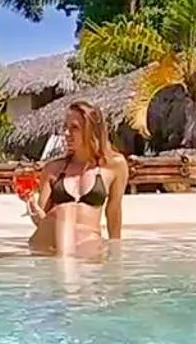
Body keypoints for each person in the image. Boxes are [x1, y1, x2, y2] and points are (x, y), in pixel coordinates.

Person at [26, 100, 128, 256]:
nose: (66, 133)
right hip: (51, 238)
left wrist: (116, 254)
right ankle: (68, 272)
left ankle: (66, 271)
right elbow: (42, 221)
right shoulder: (53, 169)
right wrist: (33, 208)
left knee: (90, 248)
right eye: (65, 128)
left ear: (91, 131)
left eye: (74, 128)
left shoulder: (114, 165)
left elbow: (113, 212)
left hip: (87, 239)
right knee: (65, 211)